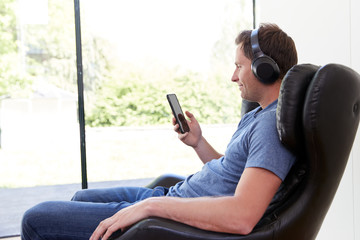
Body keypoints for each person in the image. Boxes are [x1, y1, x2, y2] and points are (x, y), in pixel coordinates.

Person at [21, 23, 298, 240]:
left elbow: (242, 216)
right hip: (172, 199)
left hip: (168, 218)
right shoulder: (259, 115)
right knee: (81, 198)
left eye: (238, 66)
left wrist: (151, 208)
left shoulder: (270, 128)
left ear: (264, 69)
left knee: (35, 218)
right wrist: (197, 142)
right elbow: (233, 173)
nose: (233, 77)